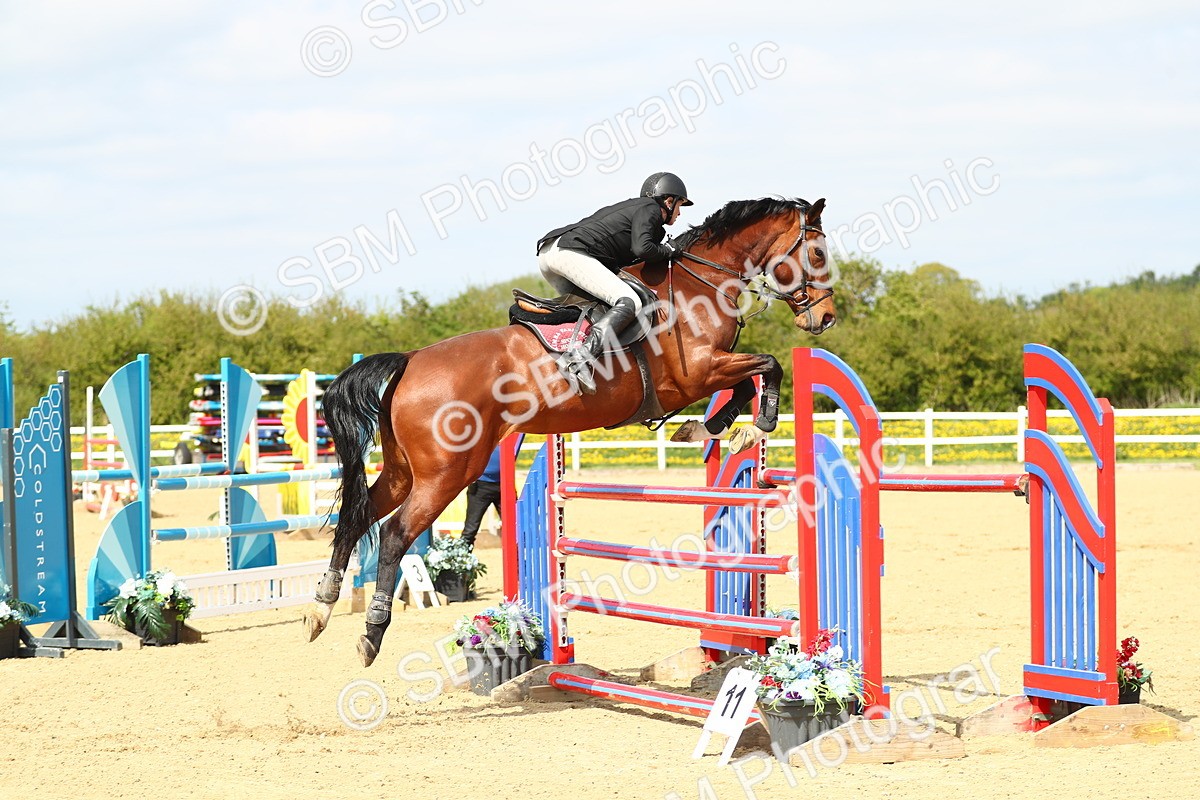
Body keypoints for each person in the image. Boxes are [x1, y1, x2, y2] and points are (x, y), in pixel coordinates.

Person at [535, 171, 694, 394]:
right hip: (569, 253)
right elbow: (643, 249)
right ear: (669, 201)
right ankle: (579, 359)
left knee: (594, 310)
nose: (679, 213)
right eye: (680, 205)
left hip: (552, 254)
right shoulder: (650, 210)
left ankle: (564, 353)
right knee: (630, 301)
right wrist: (668, 250)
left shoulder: (640, 213)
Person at [460, 446, 503, 550]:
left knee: (515, 526)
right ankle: (462, 561)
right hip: (480, 485)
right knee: (470, 529)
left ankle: (520, 561)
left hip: (504, 483)